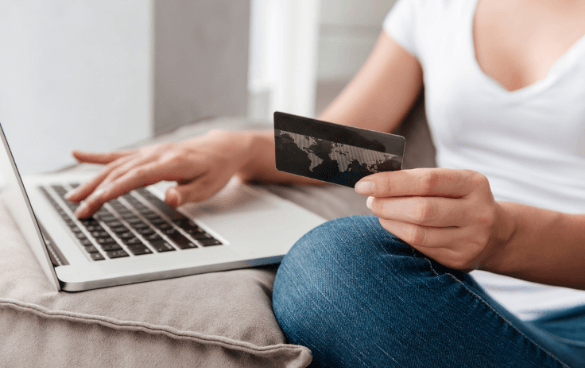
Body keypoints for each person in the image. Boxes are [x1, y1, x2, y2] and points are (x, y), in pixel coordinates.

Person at [65, 0, 585, 366]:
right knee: (341, 267)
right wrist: (237, 148)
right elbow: (353, 149)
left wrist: (505, 236)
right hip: (457, 296)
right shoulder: (434, 8)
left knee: (331, 267)